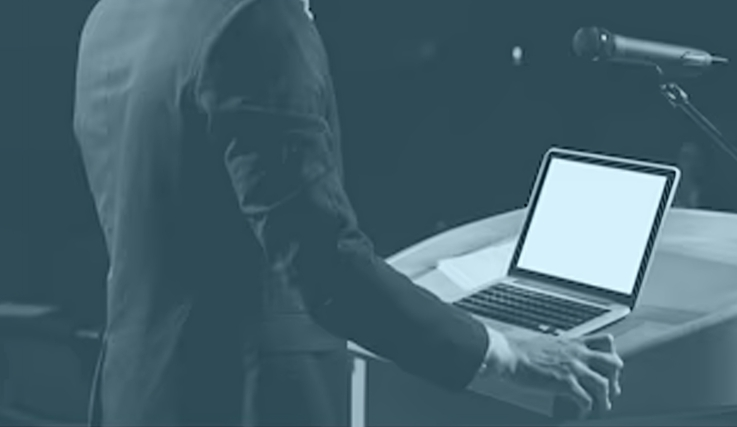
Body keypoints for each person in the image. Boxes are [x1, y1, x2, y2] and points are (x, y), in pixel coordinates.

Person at [72, 1, 623, 425]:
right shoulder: (255, 22)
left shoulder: (114, 16)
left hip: (135, 392)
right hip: (246, 401)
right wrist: (505, 354)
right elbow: (323, 264)